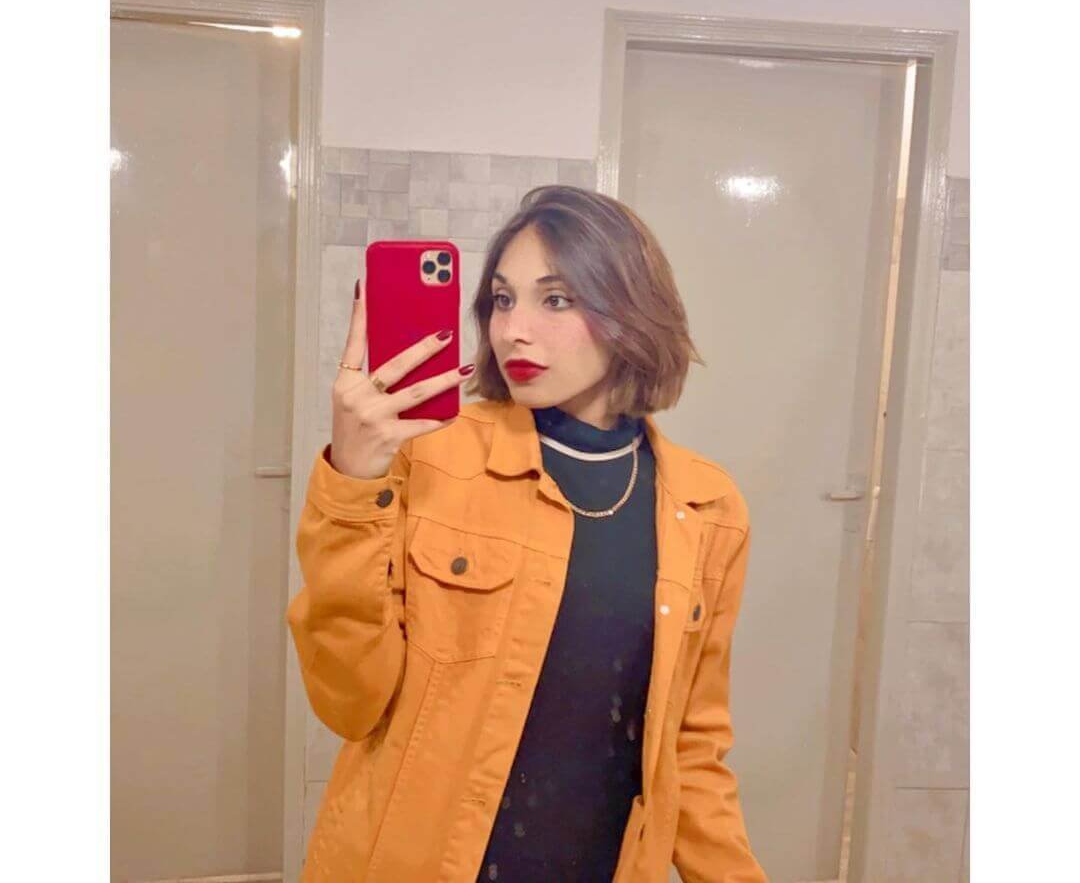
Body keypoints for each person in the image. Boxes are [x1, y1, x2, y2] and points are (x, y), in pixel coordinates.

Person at [287, 185, 766, 882]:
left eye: (557, 299)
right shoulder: (432, 455)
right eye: (502, 300)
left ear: (632, 310)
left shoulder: (708, 507)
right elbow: (348, 700)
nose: (512, 330)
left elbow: (689, 750)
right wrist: (354, 486)